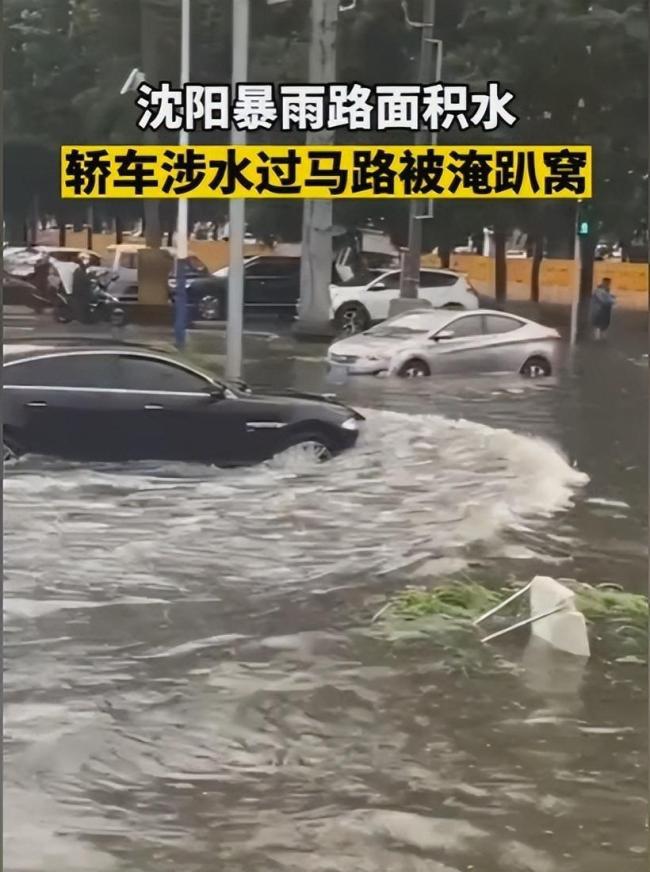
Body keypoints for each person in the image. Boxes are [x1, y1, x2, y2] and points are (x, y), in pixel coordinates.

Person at [70, 254, 94, 323]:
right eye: (87, 259)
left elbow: (90, 276)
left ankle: (85, 318)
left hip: (84, 290)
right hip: (80, 291)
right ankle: (83, 319)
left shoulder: (84, 269)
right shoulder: (79, 270)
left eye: (88, 259)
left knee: (85, 304)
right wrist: (90, 280)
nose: (88, 261)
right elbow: (83, 279)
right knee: (82, 305)